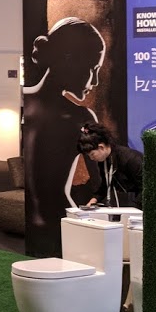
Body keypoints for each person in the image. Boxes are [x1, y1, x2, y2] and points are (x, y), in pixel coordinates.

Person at [22, 17, 106, 257]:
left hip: (32, 229)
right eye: (93, 69)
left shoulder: (23, 102)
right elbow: (100, 178)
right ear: (70, 60)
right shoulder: (80, 117)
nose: (95, 81)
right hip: (59, 227)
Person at [78, 122, 143, 208]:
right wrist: (94, 200)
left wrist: (134, 209)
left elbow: (146, 188)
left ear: (101, 147)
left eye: (92, 154)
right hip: (126, 205)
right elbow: (105, 185)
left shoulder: (132, 159)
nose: (91, 159)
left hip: (140, 205)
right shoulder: (104, 161)